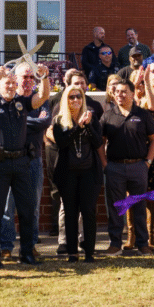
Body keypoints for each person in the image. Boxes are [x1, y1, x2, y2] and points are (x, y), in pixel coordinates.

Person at [0, 63, 50, 269]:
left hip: (20, 163)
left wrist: (43, 76)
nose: (10, 86)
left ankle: (26, 253)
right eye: (6, 83)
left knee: (27, 210)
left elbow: (42, 97)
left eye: (12, 83)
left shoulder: (22, 103)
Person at [0, 63, 51, 260]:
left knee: (33, 207)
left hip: (33, 160)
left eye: (31, 77)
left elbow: (45, 122)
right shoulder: (10, 98)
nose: (28, 81)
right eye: (24, 77)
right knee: (7, 208)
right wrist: (27, 122)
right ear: (16, 79)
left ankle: (30, 246)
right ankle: (6, 247)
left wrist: (18, 121)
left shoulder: (40, 101)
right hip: (12, 160)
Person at [100, 78, 154, 256]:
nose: (120, 95)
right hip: (115, 168)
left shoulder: (143, 114)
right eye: (116, 92)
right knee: (116, 207)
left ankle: (143, 244)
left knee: (139, 207)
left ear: (133, 94)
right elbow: (100, 143)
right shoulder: (108, 116)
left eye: (124, 91)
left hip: (138, 167)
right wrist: (105, 164)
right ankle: (115, 244)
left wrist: (147, 162)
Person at [48, 85, 103, 262]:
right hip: (68, 173)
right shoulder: (59, 120)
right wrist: (79, 127)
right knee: (70, 213)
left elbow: (97, 142)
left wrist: (88, 126)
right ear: (66, 99)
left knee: (88, 211)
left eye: (79, 97)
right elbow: (62, 143)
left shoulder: (91, 117)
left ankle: (89, 252)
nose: (76, 100)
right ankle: (72, 252)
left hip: (89, 172)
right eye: (71, 97)